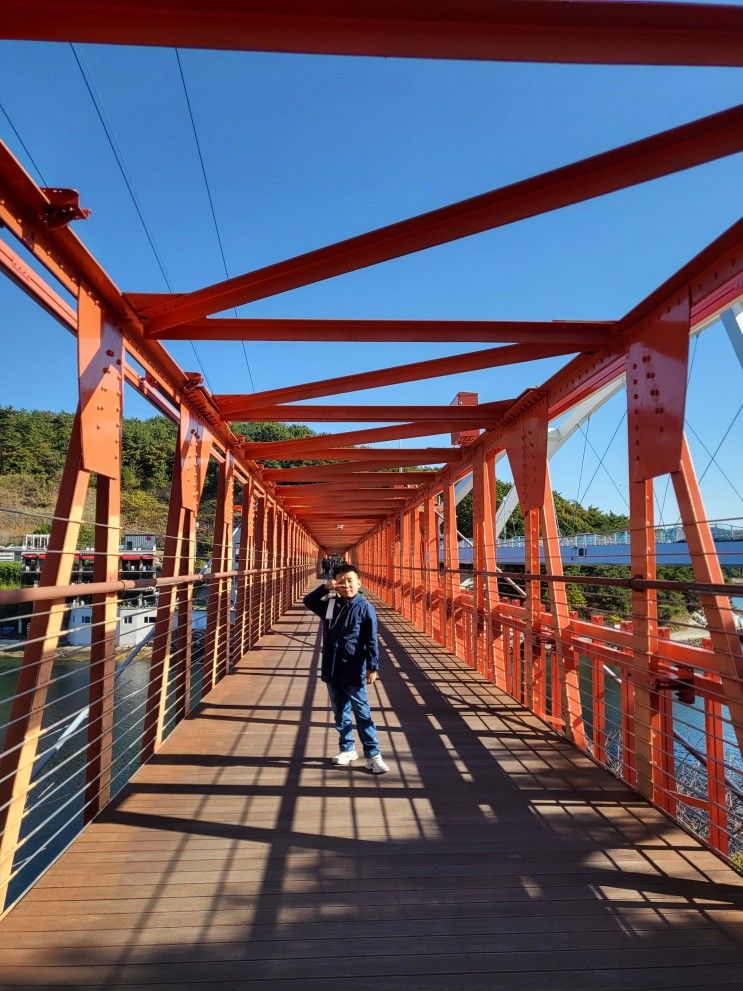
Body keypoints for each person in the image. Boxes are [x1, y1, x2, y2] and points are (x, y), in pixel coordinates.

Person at [303, 563, 389, 774]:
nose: (346, 585)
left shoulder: (365, 607)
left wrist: (373, 667)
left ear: (359, 583)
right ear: (336, 584)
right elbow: (309, 601)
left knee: (362, 712)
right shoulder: (331, 604)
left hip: (353, 670)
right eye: (341, 581)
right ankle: (347, 749)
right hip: (332, 669)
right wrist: (325, 588)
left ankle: (373, 755)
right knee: (340, 713)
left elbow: (371, 640)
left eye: (350, 580)